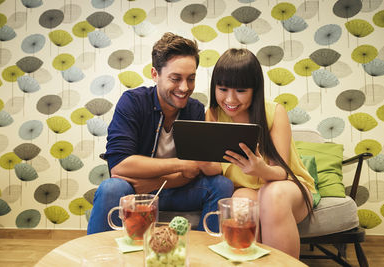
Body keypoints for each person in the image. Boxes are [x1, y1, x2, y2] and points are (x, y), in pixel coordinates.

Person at [87, 32, 233, 235]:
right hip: (134, 191)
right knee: (112, 188)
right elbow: (120, 165)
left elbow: (198, 169)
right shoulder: (133, 102)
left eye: (191, 79)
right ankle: (98, 257)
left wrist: (153, 183)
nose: (184, 87)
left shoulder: (195, 110)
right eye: (175, 79)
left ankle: (206, 252)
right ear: (155, 74)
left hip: (171, 188)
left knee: (222, 185)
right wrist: (181, 164)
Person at [206, 48, 316, 259]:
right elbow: (213, 168)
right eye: (222, 89)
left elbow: (282, 173)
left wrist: (260, 169)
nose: (230, 99)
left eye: (240, 90)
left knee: (271, 195)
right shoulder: (211, 115)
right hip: (245, 190)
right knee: (240, 204)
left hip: (287, 187)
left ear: (254, 89)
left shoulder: (274, 112)